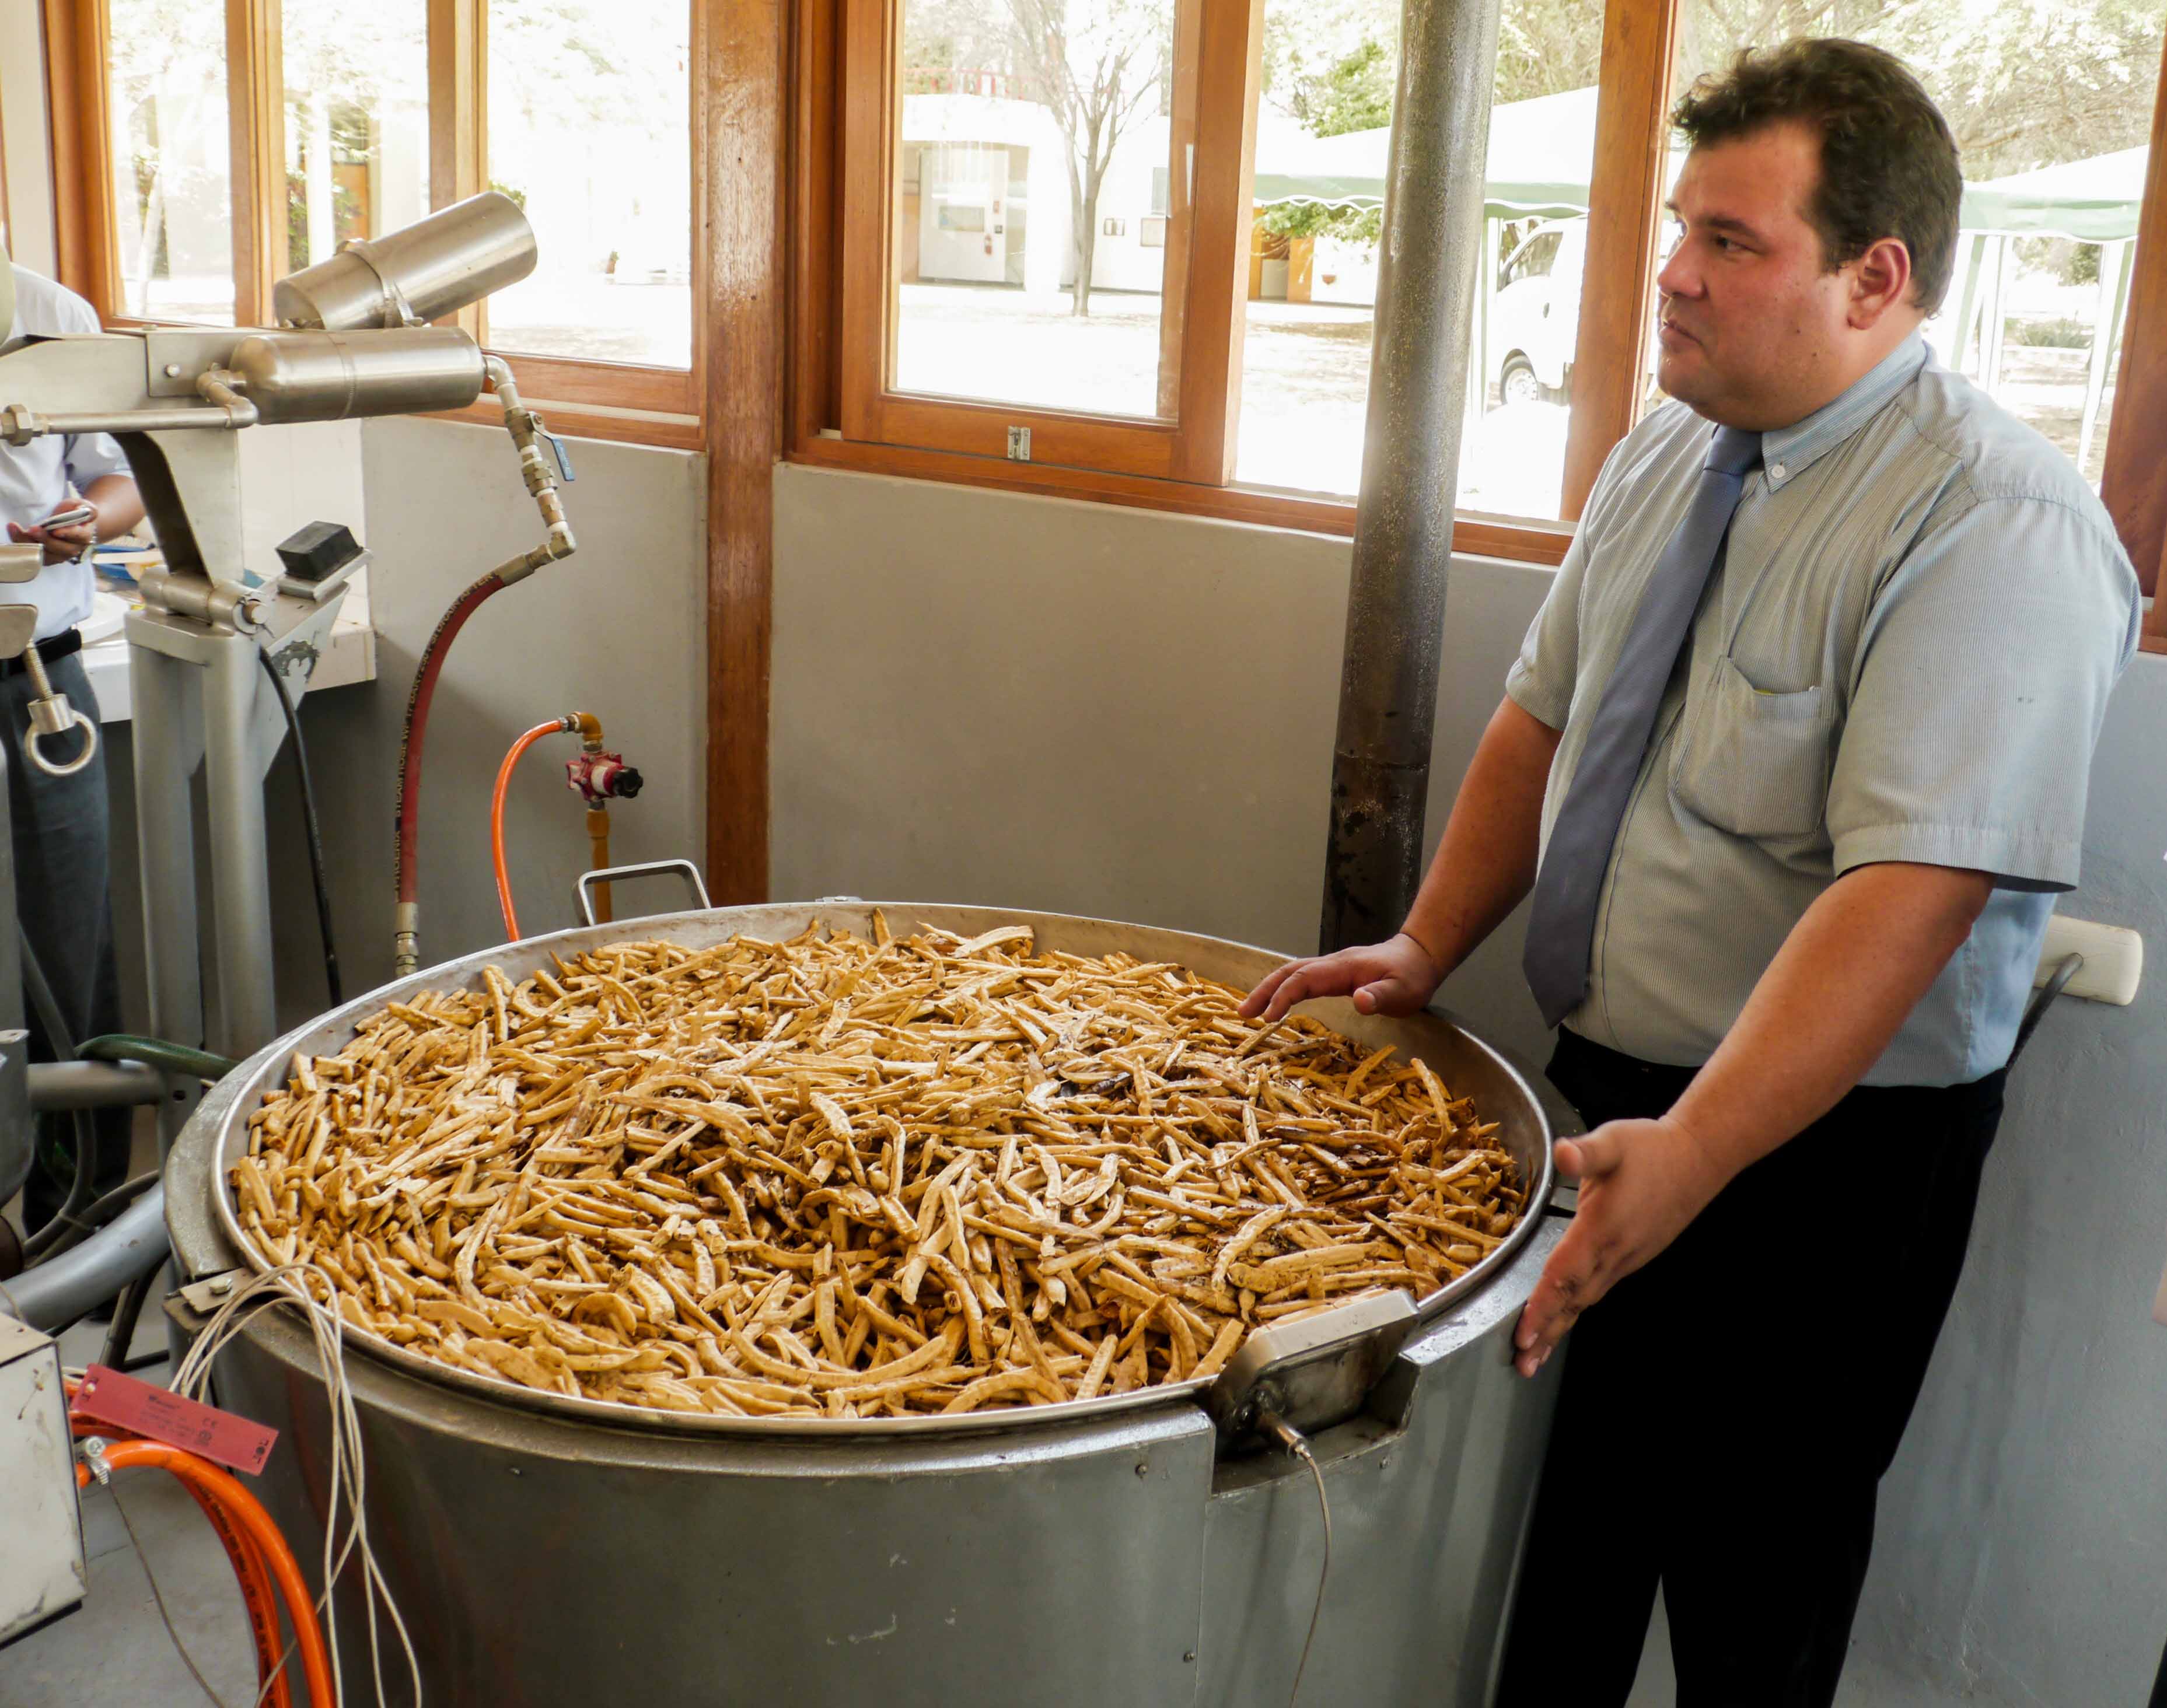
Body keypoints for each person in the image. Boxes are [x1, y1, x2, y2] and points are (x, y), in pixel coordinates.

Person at [1241, 38, 2137, 1707]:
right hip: (1613, 1103)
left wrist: (1705, 1149)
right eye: (1679, 228)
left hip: (1825, 1163)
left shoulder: (1992, 522)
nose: (1673, 275)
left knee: (1753, 1578)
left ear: (1876, 279)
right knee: (1562, 1545)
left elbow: (1910, 895)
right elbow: (1541, 717)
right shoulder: (1672, 447)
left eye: (1731, 242)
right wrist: (1427, 946)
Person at [1, 257, 145, 1237]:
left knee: (68, 948)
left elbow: (120, 478)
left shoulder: (47, 312)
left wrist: (88, 521)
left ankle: (74, 1227)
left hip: (37, 685)